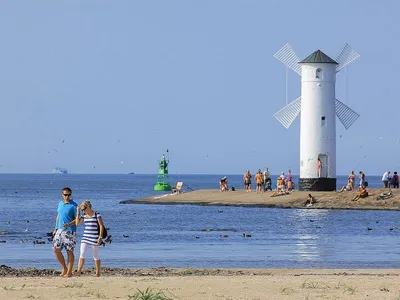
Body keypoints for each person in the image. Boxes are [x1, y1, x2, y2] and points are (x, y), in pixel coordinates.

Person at [52, 187, 78, 278]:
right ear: (62, 195)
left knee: (69, 251)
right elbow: (58, 216)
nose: (67, 196)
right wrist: (55, 228)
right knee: (55, 249)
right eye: (65, 195)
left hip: (70, 231)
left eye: (69, 195)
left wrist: (69, 224)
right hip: (59, 230)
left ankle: (69, 272)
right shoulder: (60, 204)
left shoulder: (74, 205)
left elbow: (78, 219)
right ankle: (64, 268)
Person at [75, 200, 104, 277]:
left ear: (88, 207)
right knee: (82, 254)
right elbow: (77, 223)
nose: (83, 211)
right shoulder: (84, 216)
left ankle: (98, 272)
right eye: (82, 210)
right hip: (85, 237)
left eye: (84, 209)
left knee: (95, 256)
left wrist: (100, 237)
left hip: (94, 238)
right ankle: (79, 271)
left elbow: (101, 226)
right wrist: (78, 212)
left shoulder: (96, 214)